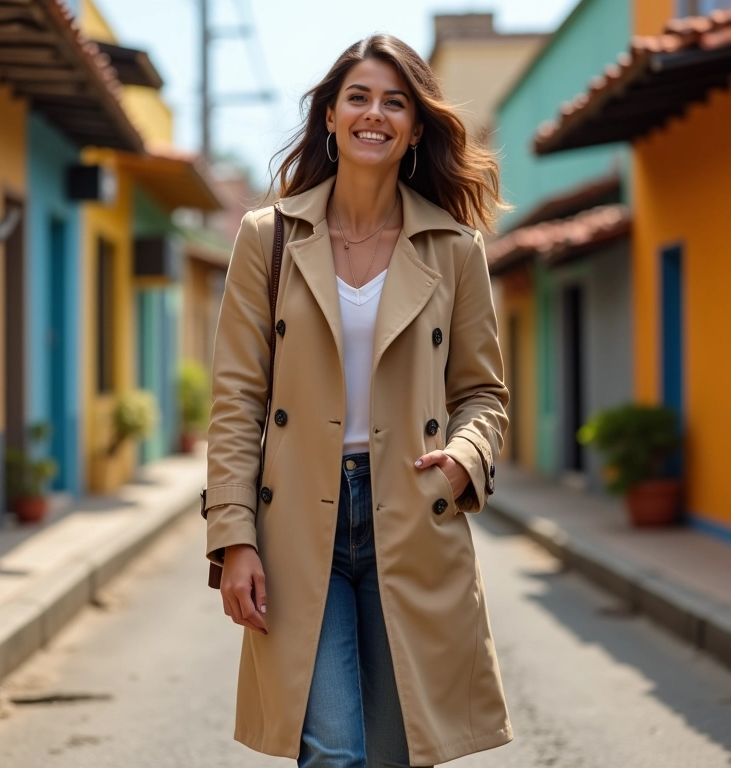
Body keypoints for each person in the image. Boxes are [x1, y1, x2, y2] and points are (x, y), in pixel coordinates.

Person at [203, 33, 512, 768]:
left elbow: (483, 394)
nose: (376, 113)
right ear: (332, 118)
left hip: (412, 511)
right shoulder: (268, 238)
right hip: (296, 521)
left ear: (413, 130)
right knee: (332, 750)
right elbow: (238, 400)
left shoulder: (454, 248)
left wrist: (463, 461)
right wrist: (233, 536)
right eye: (359, 97)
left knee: (400, 749)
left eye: (395, 102)